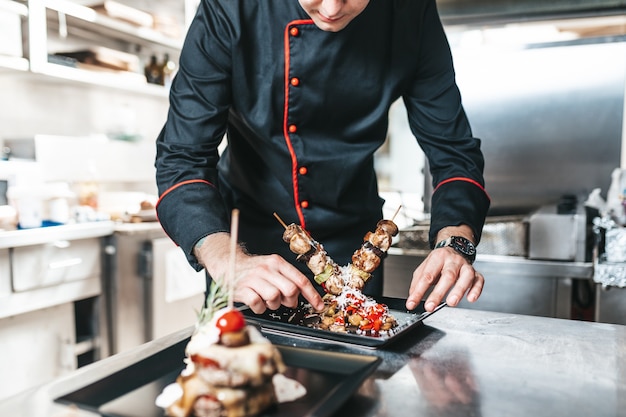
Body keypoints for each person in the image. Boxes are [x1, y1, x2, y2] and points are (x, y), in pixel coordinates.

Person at [155, 0, 490, 315]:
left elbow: (453, 151)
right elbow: (183, 156)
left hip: (357, 247)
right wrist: (225, 259)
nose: (331, 8)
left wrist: (455, 242)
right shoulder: (232, 7)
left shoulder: (410, 11)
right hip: (243, 245)